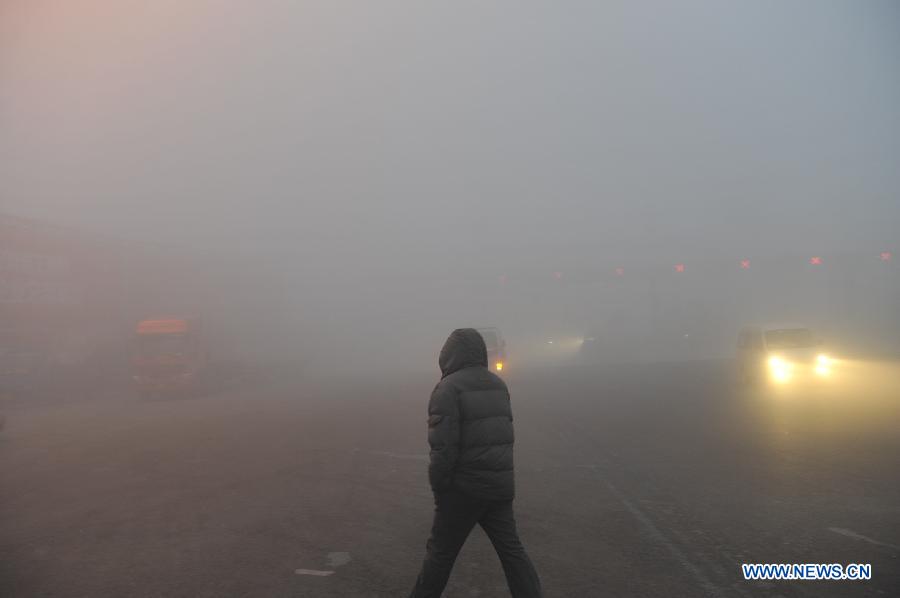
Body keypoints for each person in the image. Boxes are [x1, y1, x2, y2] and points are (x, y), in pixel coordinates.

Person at [409, 328, 542, 598]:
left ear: (449, 356)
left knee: (440, 555)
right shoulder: (498, 384)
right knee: (512, 552)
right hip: (499, 486)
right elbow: (505, 436)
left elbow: (443, 447)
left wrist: (440, 488)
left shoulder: (448, 389)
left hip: (463, 490)